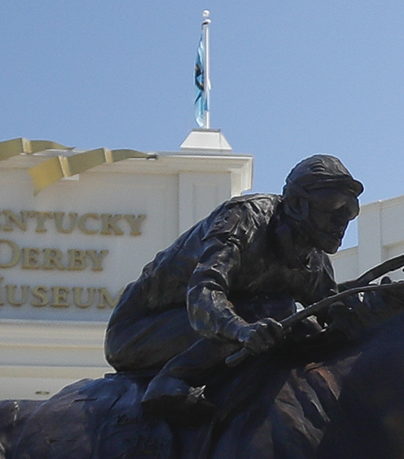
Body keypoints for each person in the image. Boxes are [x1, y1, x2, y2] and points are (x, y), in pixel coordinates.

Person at [105, 155, 367, 424]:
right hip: (138, 331)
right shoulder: (243, 219)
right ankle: (171, 381)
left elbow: (333, 313)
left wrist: (382, 309)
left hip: (217, 325)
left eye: (349, 212)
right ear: (298, 204)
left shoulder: (314, 259)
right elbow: (203, 294)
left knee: (303, 327)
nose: (341, 223)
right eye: (334, 209)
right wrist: (241, 330)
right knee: (273, 310)